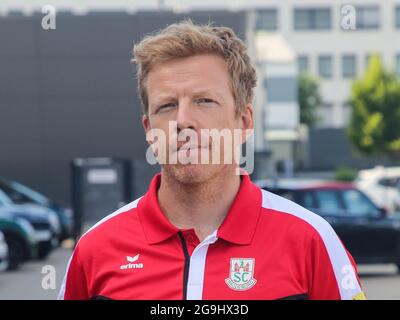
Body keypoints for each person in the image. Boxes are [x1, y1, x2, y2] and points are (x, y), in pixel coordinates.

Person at [58, 21, 366, 300]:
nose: (183, 121)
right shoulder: (95, 250)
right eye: (166, 105)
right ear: (149, 131)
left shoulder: (311, 240)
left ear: (243, 122)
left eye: (204, 101)